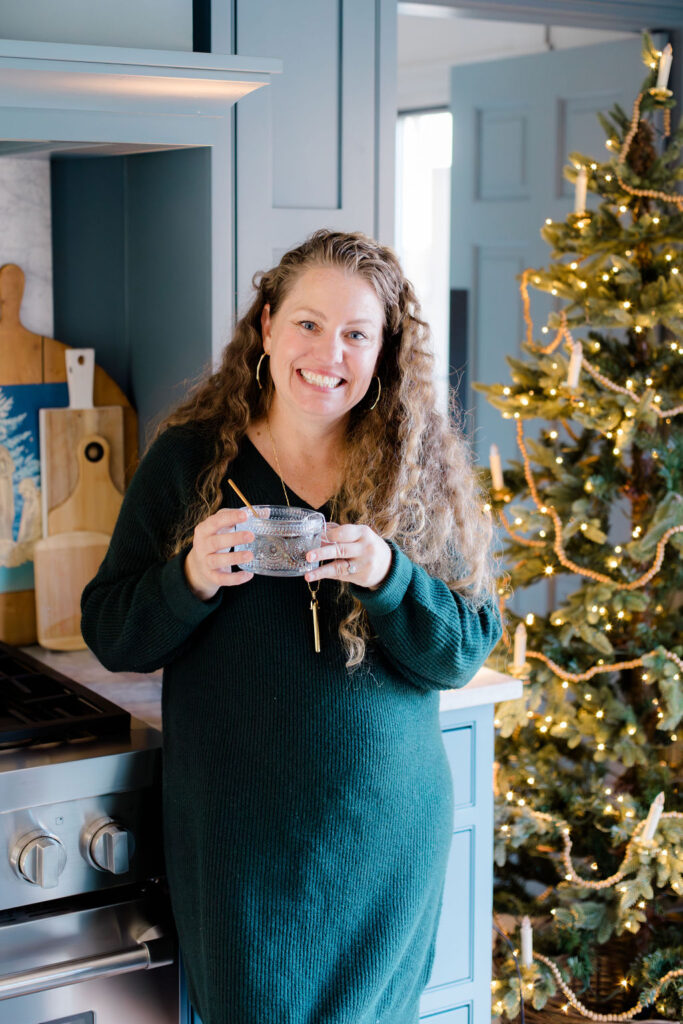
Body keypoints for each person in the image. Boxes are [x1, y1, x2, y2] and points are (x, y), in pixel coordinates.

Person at [81, 228, 503, 1024]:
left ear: (382, 350)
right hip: (239, 844)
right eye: (308, 323)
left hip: (384, 841)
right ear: (267, 325)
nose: (328, 352)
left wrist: (388, 576)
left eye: (355, 333)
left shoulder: (414, 469)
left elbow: (460, 651)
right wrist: (190, 577)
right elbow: (113, 632)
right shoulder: (188, 461)